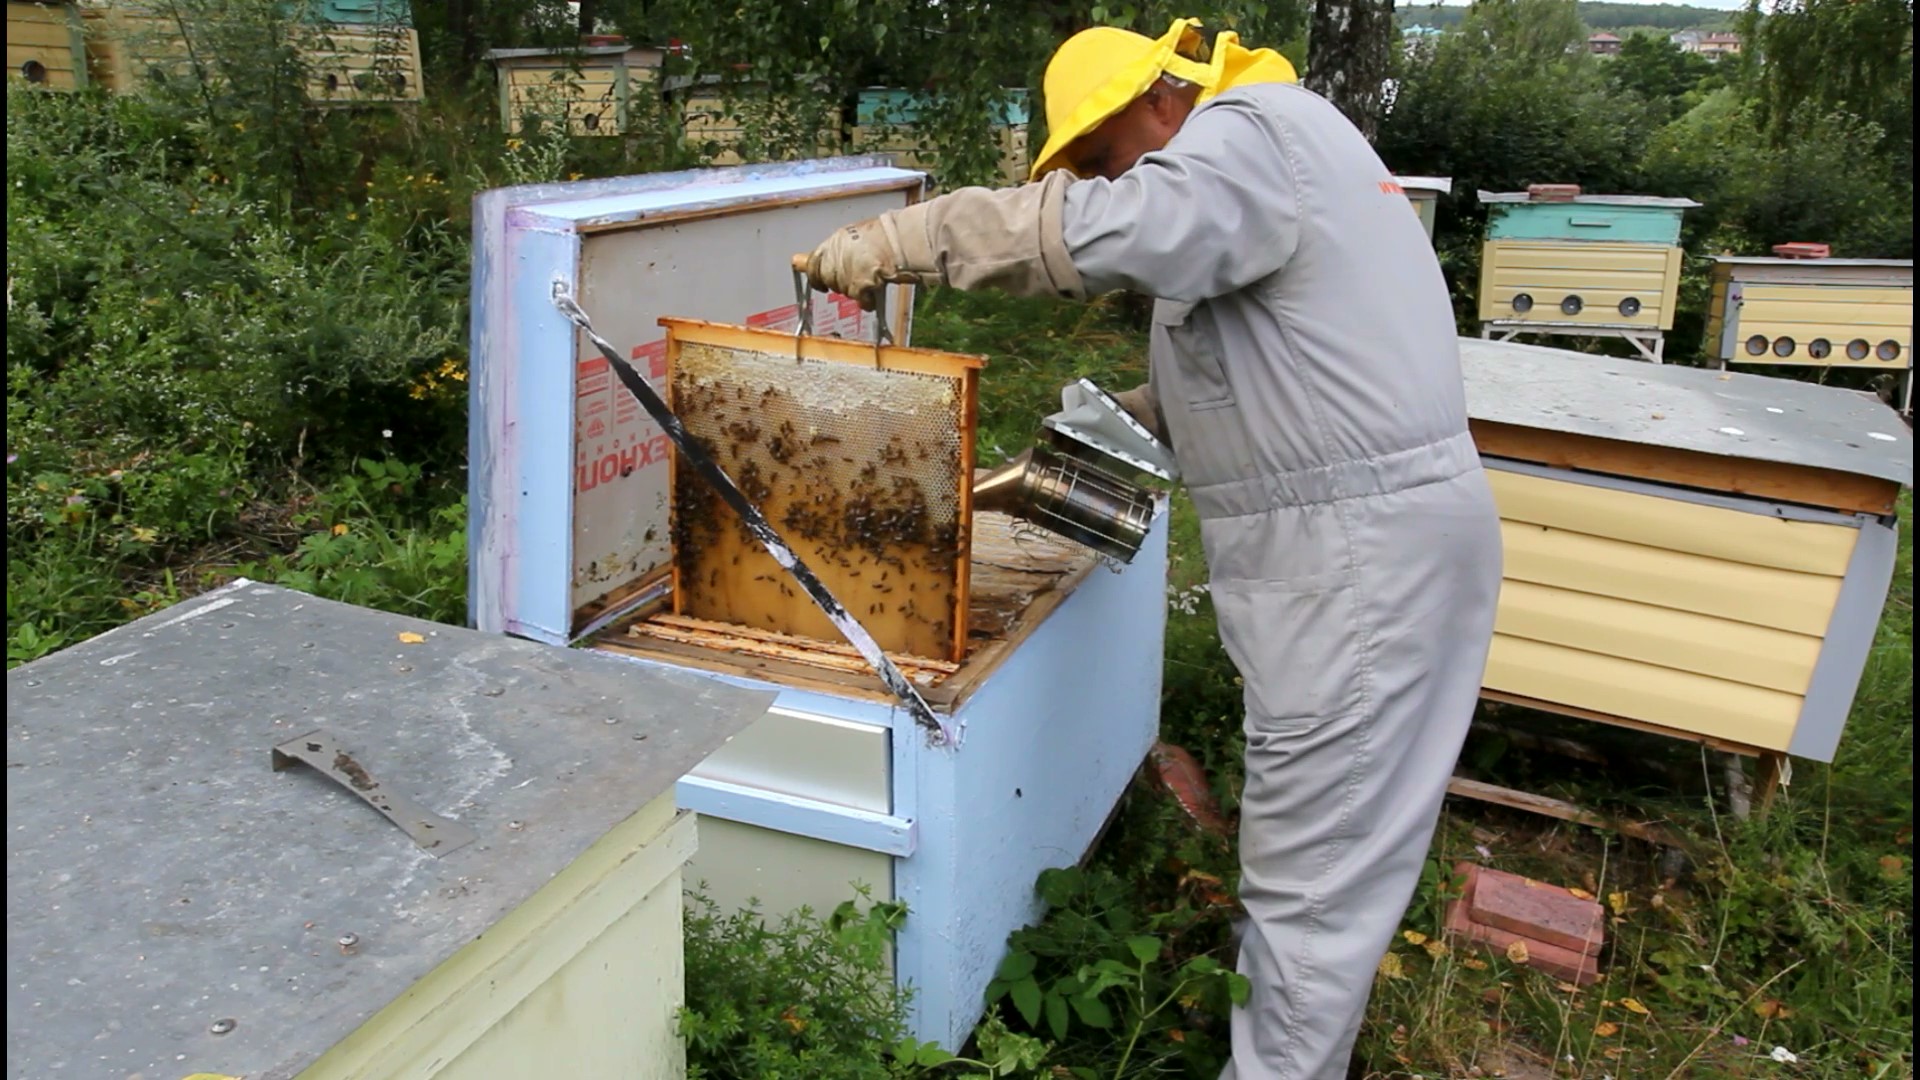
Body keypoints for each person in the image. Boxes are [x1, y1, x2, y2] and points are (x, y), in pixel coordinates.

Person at [804, 18, 1504, 1080]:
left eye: (1094, 158)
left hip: (1358, 564)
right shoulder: (1279, 154)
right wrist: (1087, 434)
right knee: (1323, 860)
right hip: (1369, 549)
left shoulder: (1247, 135)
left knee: (1314, 885)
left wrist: (911, 242)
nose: (1095, 179)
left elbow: (1120, 230)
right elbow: (1258, 376)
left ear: (1155, 105)